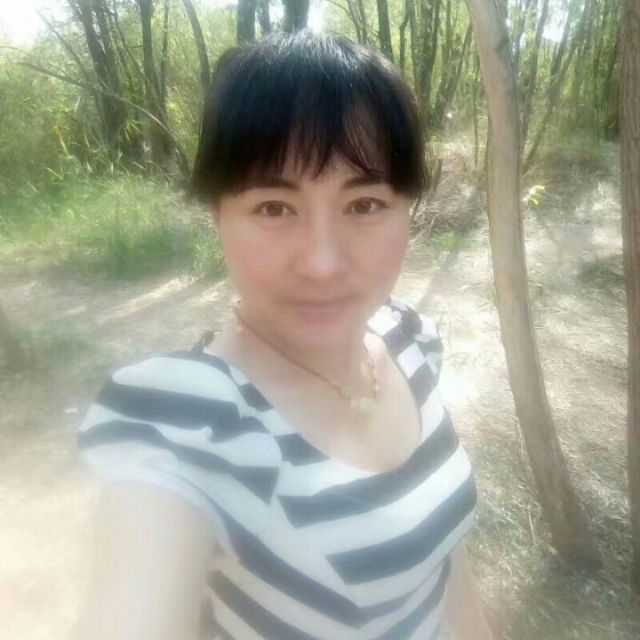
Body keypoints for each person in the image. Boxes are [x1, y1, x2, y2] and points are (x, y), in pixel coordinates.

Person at [71, 31, 492, 640]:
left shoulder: (409, 338)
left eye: (364, 205)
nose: (322, 263)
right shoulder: (190, 420)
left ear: (408, 211)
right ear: (218, 216)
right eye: (274, 207)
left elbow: (444, 561)